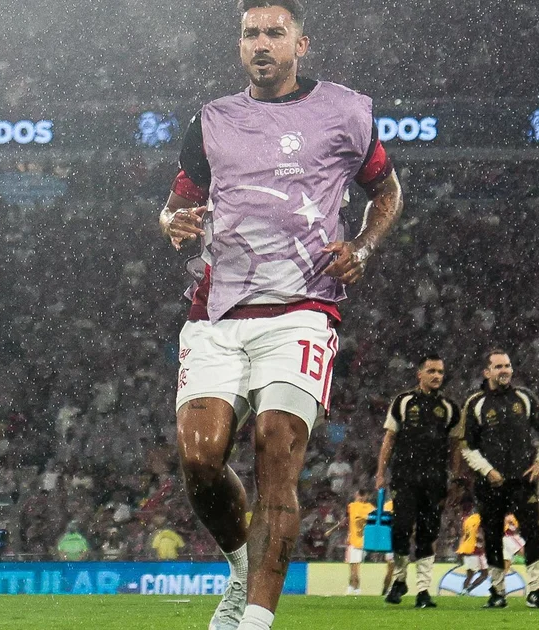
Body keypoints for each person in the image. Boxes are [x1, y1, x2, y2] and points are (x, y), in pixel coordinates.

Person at [159, 1, 403, 628]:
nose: (261, 43)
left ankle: (257, 621)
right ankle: (241, 569)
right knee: (200, 459)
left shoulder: (345, 111)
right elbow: (175, 204)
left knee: (276, 449)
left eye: (275, 32)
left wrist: (365, 247)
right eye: (250, 34)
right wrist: (174, 221)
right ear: (239, 46)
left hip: (304, 307)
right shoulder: (211, 121)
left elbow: (388, 190)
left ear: (301, 43)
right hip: (217, 311)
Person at [454, 349, 539, 609]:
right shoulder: (475, 402)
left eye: (507, 366)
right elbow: (466, 445)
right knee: (492, 536)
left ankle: (534, 590)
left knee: (533, 533)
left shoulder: (525, 397)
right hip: (491, 482)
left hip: (523, 480)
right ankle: (497, 591)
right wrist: (487, 470)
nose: (504, 371)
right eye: (498, 366)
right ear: (486, 372)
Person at [375, 354, 458, 608]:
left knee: (428, 533)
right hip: (405, 477)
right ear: (419, 374)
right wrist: (380, 473)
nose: (436, 376)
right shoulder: (403, 401)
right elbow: (389, 439)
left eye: (440, 372)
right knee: (400, 529)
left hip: (434, 480)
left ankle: (423, 590)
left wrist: (454, 478)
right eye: (431, 371)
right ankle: (400, 579)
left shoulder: (449, 407)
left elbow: (455, 446)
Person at [343, 489, 375, 595]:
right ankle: (352, 586)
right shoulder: (356, 506)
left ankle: (356, 588)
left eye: (362, 495)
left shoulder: (366, 508)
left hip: (361, 542)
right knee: (352, 567)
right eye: (360, 494)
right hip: (353, 542)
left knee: (355, 567)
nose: (361, 497)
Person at [455, 503, 489, 596]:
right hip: (476, 550)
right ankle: (468, 590)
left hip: (466, 550)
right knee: (484, 574)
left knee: (470, 575)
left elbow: (464, 535)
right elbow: (479, 536)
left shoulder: (468, 520)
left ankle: (463, 591)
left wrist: (460, 551)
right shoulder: (480, 521)